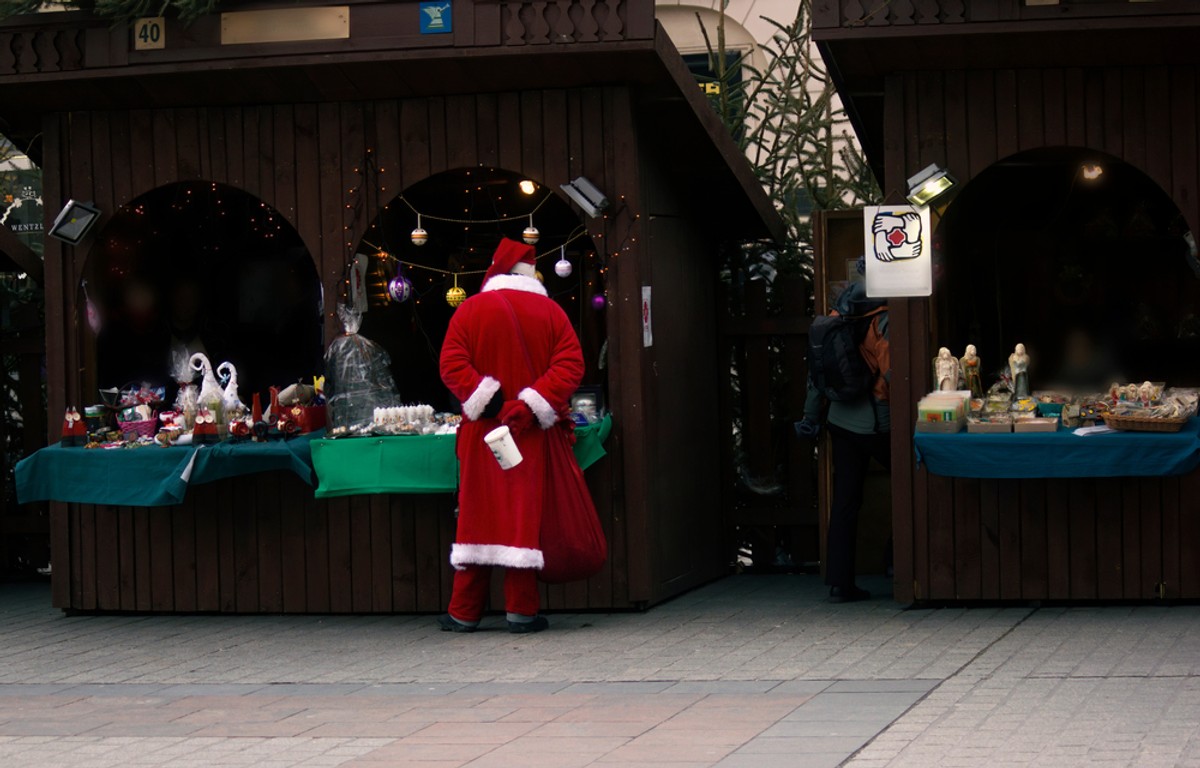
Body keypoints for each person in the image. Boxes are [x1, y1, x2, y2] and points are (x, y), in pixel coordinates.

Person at [437, 238, 585, 633]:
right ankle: (521, 610)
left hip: (482, 433)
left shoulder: (470, 310)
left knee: (476, 517)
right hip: (530, 434)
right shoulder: (552, 313)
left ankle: (463, 611)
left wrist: (486, 397)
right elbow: (571, 365)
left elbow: (451, 363)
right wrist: (529, 405)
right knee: (523, 517)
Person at [795, 282, 889, 603]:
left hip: (839, 423)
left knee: (845, 501)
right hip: (878, 426)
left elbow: (816, 379)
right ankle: (903, 567)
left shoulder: (835, 318)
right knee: (913, 488)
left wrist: (810, 418)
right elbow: (892, 375)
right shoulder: (882, 320)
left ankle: (840, 582)